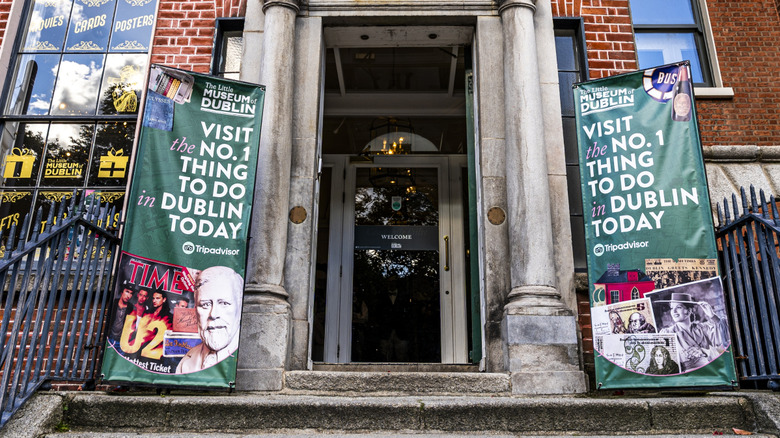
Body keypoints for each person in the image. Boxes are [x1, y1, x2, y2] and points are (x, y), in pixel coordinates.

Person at [176, 266, 243, 373]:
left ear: (239, 305)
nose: (213, 314)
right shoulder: (186, 363)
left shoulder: (249, 360)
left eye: (224, 303)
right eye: (205, 304)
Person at [658, 292, 728, 372]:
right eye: (671, 308)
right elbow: (664, 361)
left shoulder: (703, 328)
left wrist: (712, 315)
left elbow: (723, 341)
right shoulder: (667, 333)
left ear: (689, 311)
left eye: (678, 307)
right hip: (689, 377)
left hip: (712, 371)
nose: (674, 311)